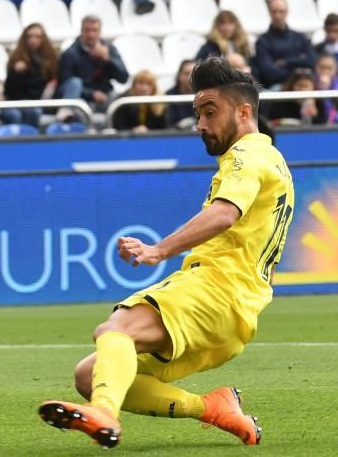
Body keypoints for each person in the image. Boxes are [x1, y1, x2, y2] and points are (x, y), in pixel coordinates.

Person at [40, 55, 292, 449]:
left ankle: (105, 413)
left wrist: (159, 250)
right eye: (198, 114)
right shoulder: (274, 162)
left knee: (115, 329)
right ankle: (212, 407)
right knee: (90, 375)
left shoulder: (247, 156)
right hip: (237, 317)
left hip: (216, 292)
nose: (201, 124)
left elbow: (224, 214)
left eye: (210, 112)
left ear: (244, 111)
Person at [58, 15, 129, 109]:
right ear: (81, 31)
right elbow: (66, 85)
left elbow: (123, 78)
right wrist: (91, 94)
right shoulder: (70, 53)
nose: (91, 35)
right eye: (87, 30)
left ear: (100, 32)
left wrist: (107, 59)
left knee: (122, 103)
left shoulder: (109, 49)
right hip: (82, 98)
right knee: (80, 106)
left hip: (106, 96)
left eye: (94, 31)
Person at [253, 0, 315, 88]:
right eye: (274, 12)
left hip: (302, 84)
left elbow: (312, 61)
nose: (278, 16)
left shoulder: (300, 37)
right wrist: (298, 67)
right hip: (278, 86)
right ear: (269, 13)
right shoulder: (262, 41)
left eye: (281, 11)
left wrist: (286, 62)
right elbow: (269, 73)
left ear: (287, 12)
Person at [4, 23, 58, 127]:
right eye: (29, 37)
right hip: (23, 101)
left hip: (46, 101)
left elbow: (55, 82)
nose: (33, 40)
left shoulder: (51, 58)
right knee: (34, 111)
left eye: (37, 37)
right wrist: (15, 73)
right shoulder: (16, 58)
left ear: (43, 39)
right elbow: (9, 92)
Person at [165, 58, 196, 127]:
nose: (190, 77)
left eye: (194, 73)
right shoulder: (168, 96)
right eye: (187, 73)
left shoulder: (204, 95)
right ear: (179, 76)